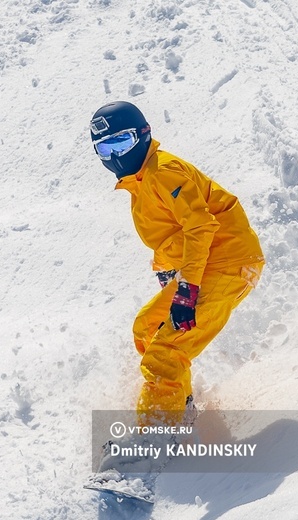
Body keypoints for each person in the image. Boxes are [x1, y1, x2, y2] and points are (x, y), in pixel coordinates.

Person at [90, 101, 265, 426]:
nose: (114, 155)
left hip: (229, 262)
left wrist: (186, 291)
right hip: (205, 266)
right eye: (104, 147)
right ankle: (177, 408)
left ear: (143, 135)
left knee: (165, 351)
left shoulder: (163, 172)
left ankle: (156, 432)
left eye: (121, 142)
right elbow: (173, 237)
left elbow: (201, 227)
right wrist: (172, 279)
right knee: (148, 328)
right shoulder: (142, 182)